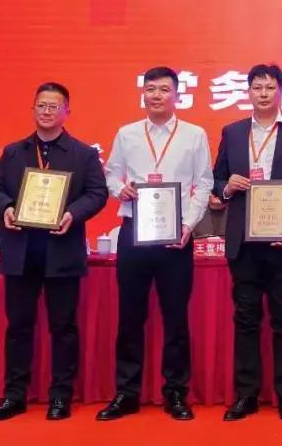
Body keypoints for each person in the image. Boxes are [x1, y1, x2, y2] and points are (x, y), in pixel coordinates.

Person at [0, 82, 109, 421]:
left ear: (67, 111)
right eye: (41, 105)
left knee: (63, 328)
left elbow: (97, 193)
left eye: (54, 106)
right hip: (20, 253)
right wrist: (6, 207)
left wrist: (73, 213)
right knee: (18, 327)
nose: (47, 112)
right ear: (33, 109)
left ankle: (60, 396)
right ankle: (14, 396)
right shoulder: (14, 151)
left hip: (62, 252)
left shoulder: (83, 154)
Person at [97, 67, 213, 422]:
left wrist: (188, 225)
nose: (157, 95)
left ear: (177, 95)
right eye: (151, 89)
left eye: (164, 89)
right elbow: (111, 173)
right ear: (143, 94)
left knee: (176, 318)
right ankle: (126, 393)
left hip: (176, 235)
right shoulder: (127, 133)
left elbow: (204, 183)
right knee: (130, 316)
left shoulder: (194, 134)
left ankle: (175, 392)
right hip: (135, 231)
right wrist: (121, 189)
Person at [213, 64, 282, 423]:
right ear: (248, 92)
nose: (263, 93)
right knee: (245, 319)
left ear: (280, 91)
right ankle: (246, 396)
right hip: (244, 242)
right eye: (257, 87)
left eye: (270, 87)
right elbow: (216, 180)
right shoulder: (233, 132)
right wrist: (227, 187)